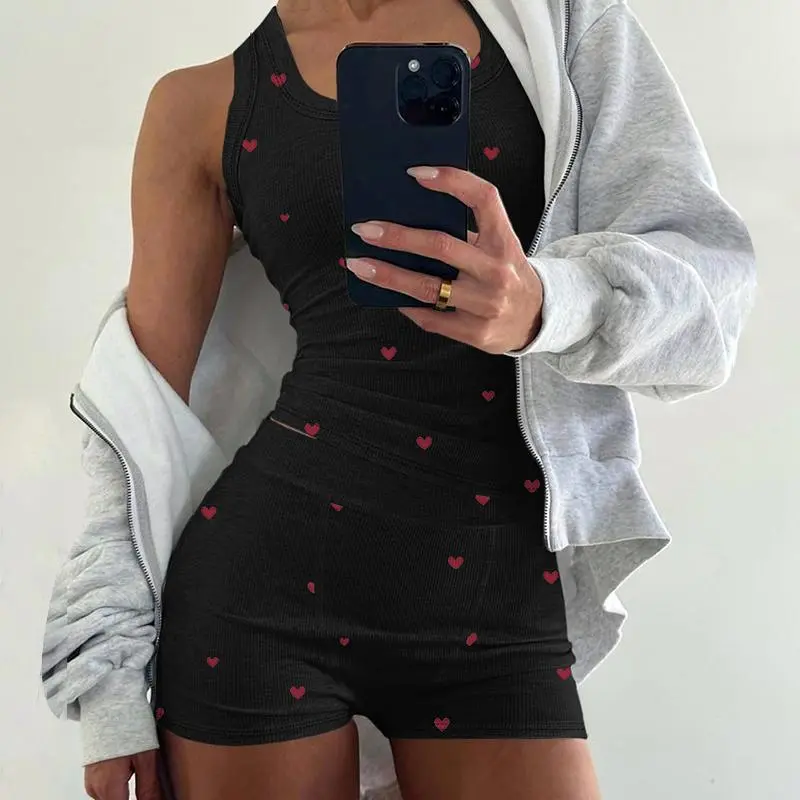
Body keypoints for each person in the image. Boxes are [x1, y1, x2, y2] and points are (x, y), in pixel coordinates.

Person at [39, 0, 757, 798]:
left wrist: (545, 304)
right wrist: (106, 682)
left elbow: (713, 293)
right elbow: (133, 419)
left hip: (500, 599)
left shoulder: (562, 27)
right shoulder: (198, 103)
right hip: (260, 596)